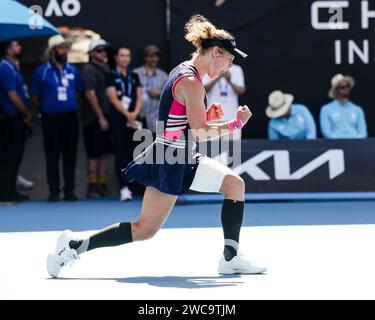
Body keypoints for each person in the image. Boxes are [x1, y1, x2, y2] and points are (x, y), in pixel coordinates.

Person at [46, 15, 267, 278]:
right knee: (144, 229)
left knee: (234, 184)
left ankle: (230, 258)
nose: (229, 66)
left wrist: (209, 117)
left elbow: (186, 123)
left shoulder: (185, 70)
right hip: (171, 158)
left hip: (180, 154)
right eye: (229, 59)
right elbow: (198, 133)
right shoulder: (191, 82)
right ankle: (72, 246)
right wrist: (234, 125)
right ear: (215, 52)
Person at [31, 35, 81, 202]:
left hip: (70, 118)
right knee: (52, 155)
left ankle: (69, 190)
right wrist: (47, 107)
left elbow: (77, 92)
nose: (64, 51)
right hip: (51, 119)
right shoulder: (42, 72)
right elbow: (35, 95)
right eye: (61, 48)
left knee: (70, 155)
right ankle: (54, 190)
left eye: (66, 48)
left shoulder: (73, 70)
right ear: (53, 51)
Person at [106, 47, 143, 201]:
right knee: (121, 153)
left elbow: (140, 97)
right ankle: (124, 188)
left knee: (136, 153)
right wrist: (127, 115)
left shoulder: (134, 76)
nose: (125, 58)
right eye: (122, 56)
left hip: (134, 120)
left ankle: (136, 186)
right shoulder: (110, 75)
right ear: (116, 57)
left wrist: (133, 114)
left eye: (127, 56)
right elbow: (113, 98)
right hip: (119, 119)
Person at [0, 40, 32, 203]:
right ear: (8, 50)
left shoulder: (12, 67)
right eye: (16, 45)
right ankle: (5, 193)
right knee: (9, 157)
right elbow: (12, 95)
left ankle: (11, 190)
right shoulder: (4, 68)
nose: (20, 47)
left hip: (17, 118)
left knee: (15, 156)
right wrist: (26, 112)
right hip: (11, 118)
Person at [80, 39, 111, 198]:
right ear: (91, 53)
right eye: (99, 51)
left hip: (105, 118)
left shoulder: (105, 69)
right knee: (94, 153)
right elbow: (89, 94)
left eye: (104, 51)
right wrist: (100, 117)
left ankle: (102, 184)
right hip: (93, 120)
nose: (102, 53)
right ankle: (92, 186)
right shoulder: (88, 70)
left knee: (104, 153)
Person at [203, 63, 245, 140]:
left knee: (233, 149)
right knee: (211, 150)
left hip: (232, 118)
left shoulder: (237, 69)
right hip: (212, 118)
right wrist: (217, 77)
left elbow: (241, 90)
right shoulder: (208, 68)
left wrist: (229, 81)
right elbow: (203, 89)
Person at [134, 45, 168, 136]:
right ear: (145, 57)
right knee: (139, 147)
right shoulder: (136, 73)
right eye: (151, 56)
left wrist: (159, 94)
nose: (154, 59)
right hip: (139, 116)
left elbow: (170, 96)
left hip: (157, 118)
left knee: (158, 146)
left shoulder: (163, 76)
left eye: (156, 56)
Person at [320, 74, 367, 139]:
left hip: (356, 144)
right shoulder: (326, 109)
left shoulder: (358, 109)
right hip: (335, 145)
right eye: (342, 87)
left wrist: (354, 140)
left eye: (348, 86)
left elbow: (363, 133)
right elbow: (326, 132)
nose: (346, 88)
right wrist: (342, 141)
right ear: (336, 90)